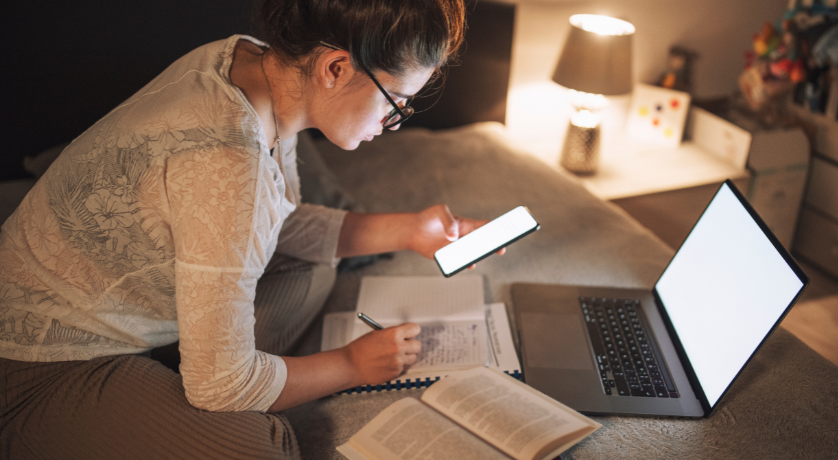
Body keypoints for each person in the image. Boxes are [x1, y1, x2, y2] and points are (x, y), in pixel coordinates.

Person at [0, 0, 488, 457]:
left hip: (130, 310)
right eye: (396, 103)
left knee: (313, 268)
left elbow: (275, 224)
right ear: (335, 68)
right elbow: (224, 386)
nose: (391, 123)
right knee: (260, 443)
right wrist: (353, 365)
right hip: (39, 363)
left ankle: (181, 369)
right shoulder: (232, 165)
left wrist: (410, 230)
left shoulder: (247, 61)